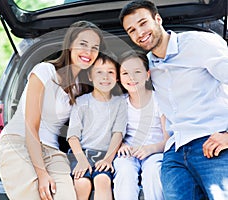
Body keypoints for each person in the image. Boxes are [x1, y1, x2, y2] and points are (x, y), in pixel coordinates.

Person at [119, 1, 228, 200]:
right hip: (175, 151)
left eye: (143, 23)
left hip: (213, 143)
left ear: (158, 19)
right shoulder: (149, 65)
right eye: (132, 30)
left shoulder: (199, 43)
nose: (139, 33)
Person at [0, 20, 106, 200]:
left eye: (95, 47)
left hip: (53, 153)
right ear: (70, 45)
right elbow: (31, 125)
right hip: (20, 144)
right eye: (83, 45)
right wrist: (42, 174)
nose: (89, 52)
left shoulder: (81, 88)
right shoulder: (45, 71)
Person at [66, 51, 127, 200]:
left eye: (110, 72)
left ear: (117, 77)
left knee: (102, 180)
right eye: (99, 72)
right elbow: (72, 136)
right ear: (90, 76)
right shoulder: (81, 102)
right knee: (82, 183)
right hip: (81, 153)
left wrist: (107, 159)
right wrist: (81, 160)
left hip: (105, 154)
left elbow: (118, 133)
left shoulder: (120, 103)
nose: (105, 77)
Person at [113, 51, 169, 200]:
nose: (131, 78)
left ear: (147, 74)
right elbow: (114, 134)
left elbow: (168, 140)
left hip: (155, 150)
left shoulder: (159, 100)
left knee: (153, 172)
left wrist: (150, 149)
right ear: (119, 78)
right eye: (125, 73)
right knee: (124, 171)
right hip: (129, 152)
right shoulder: (120, 103)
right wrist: (122, 145)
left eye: (137, 72)